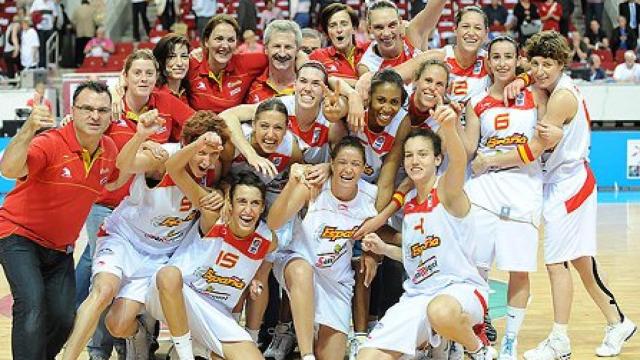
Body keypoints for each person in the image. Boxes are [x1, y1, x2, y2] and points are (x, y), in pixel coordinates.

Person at [473, 31, 637, 360]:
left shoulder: (561, 97)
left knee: (555, 263)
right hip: (558, 182)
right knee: (581, 262)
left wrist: (489, 161)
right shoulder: (541, 82)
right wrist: (522, 77)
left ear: (562, 64)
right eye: (535, 63)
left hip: (570, 184)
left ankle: (560, 339)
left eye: (548, 64)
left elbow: (532, 150)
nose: (541, 70)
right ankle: (617, 321)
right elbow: (531, 77)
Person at [63, 109, 226, 360]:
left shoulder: (215, 174)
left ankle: (139, 333)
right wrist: (141, 137)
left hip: (161, 256)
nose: (207, 160)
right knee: (103, 292)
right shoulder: (163, 158)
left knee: (117, 324)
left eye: (213, 154)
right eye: (201, 152)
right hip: (125, 238)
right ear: (188, 144)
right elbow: (123, 165)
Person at [73, 49, 195, 360]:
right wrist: (142, 140)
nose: (143, 78)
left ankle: (133, 341)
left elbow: (196, 125)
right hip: (109, 202)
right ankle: (96, 347)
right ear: (124, 77)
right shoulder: (111, 108)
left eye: (149, 74)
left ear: (157, 79)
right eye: (136, 73)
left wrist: (167, 147)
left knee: (144, 273)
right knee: (97, 274)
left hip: (144, 207)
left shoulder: (164, 103)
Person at [357, 110, 491, 359]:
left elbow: (460, 161)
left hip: (460, 290)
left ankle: (479, 350)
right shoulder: (408, 203)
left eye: (422, 154)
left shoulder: (447, 191)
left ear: (438, 159)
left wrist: (449, 127)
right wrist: (384, 249)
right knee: (367, 355)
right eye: (408, 155)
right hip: (418, 295)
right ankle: (439, 342)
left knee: (439, 312)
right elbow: (413, 256)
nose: (414, 161)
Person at [0, 80, 118, 360]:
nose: (95, 115)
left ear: (110, 114)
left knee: (65, 318)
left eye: (102, 110)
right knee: (32, 304)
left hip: (60, 248)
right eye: (87, 108)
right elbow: (8, 169)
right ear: (73, 111)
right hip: (19, 236)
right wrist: (28, 129)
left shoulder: (109, 150)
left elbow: (117, 180)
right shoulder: (50, 142)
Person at [464, 36, 559, 360]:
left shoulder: (536, 96)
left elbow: (537, 147)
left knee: (519, 269)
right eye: (496, 57)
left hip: (523, 188)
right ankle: (480, 337)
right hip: (484, 190)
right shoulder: (476, 102)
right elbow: (468, 151)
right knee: (475, 268)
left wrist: (492, 159)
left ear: (518, 60)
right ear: (487, 62)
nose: (502, 63)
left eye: (508, 56)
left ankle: (510, 343)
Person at [149, 143, 276, 360]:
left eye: (255, 203)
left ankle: (204, 349)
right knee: (168, 273)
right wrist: (200, 143)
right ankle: (185, 354)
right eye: (242, 202)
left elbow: (258, 277)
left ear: (263, 207)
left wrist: (255, 280)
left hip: (216, 312)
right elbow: (173, 167)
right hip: (178, 294)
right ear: (230, 204)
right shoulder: (213, 217)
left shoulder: (267, 240)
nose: (248, 210)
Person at [267, 137, 379, 360]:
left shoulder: (370, 195)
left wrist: (372, 252)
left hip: (335, 280)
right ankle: (306, 354)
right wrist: (292, 184)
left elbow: (377, 229)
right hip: (297, 262)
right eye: (342, 162)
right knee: (302, 271)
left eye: (355, 164)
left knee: (332, 355)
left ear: (364, 168)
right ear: (332, 164)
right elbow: (274, 223)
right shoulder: (314, 186)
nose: (348, 169)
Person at [187, 14, 268, 112]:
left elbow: (275, 57)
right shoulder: (191, 65)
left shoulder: (244, 63)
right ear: (206, 41)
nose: (225, 45)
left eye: (230, 40)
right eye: (219, 39)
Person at [310, 3, 367, 85]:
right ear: (327, 34)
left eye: (344, 24)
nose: (339, 30)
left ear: (354, 29)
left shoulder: (369, 50)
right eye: (332, 26)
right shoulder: (317, 56)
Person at [245, 20, 301, 104]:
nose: (282, 54)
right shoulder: (251, 85)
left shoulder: (305, 87)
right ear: (266, 49)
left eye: (288, 47)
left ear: (297, 51)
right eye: (277, 46)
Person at [153, 33, 191, 104]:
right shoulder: (154, 95)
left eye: (184, 56)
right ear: (161, 61)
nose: (179, 63)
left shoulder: (189, 93)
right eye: (171, 57)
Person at [29, 0, 58, 67]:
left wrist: (52, 24)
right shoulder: (37, 2)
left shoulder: (52, 3)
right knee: (41, 48)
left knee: (49, 48)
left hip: (49, 29)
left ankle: (48, 64)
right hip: (40, 29)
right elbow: (31, 13)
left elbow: (55, 15)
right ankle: (42, 64)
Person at [71, 0, 96, 67]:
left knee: (79, 49)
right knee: (89, 49)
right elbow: (96, 21)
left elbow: (73, 21)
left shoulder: (77, 10)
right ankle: (89, 63)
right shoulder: (92, 10)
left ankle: (78, 63)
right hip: (90, 33)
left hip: (79, 33)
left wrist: (76, 28)